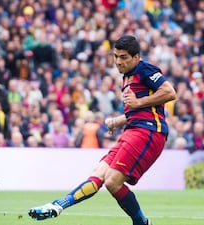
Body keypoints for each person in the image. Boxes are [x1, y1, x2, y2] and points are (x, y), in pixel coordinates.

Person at [28, 35, 177, 225]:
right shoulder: (127, 77)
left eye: (123, 57)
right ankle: (57, 205)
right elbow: (141, 112)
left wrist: (138, 102)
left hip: (149, 132)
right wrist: (117, 121)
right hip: (133, 130)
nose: (118, 61)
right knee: (99, 174)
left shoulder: (144, 69)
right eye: (115, 56)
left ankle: (142, 223)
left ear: (136, 57)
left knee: (112, 181)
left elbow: (170, 92)